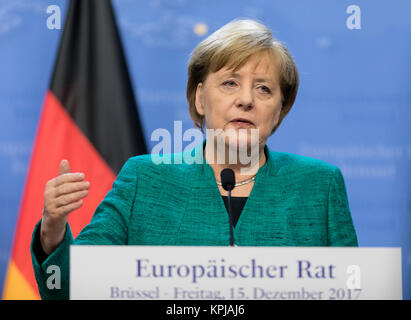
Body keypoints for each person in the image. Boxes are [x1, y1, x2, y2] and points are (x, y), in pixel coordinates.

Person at [31, 19, 358, 300]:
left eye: (263, 89)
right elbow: (72, 288)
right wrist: (53, 232)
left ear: (279, 111)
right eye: (230, 83)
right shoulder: (145, 179)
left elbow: (352, 289)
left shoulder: (320, 185)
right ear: (200, 98)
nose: (245, 100)